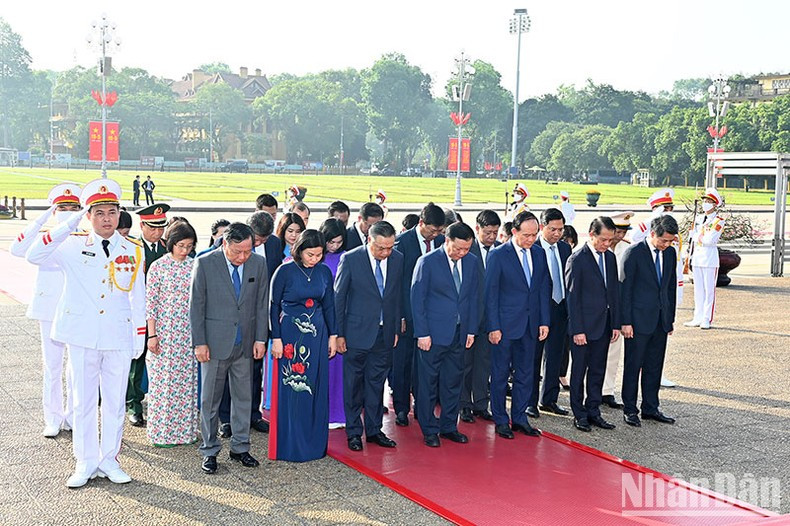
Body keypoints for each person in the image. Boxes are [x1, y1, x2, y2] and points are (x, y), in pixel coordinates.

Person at [27, 178, 146, 488]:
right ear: (88, 216)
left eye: (113, 212)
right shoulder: (72, 243)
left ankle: (109, 459)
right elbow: (33, 255)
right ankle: (85, 461)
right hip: (82, 335)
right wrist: (68, 224)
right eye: (100, 213)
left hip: (117, 335)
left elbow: (138, 295)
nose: (108, 219)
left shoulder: (132, 249)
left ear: (119, 213)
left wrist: (139, 337)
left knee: (114, 402)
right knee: (82, 401)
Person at [190, 222, 269, 475]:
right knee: (210, 400)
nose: (243, 257)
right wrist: (199, 342)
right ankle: (210, 449)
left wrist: (260, 339)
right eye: (237, 252)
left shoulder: (258, 264)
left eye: (248, 251)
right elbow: (196, 307)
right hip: (214, 344)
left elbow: (260, 304)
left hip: (245, 343)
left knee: (244, 399)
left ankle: (240, 447)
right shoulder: (205, 263)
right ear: (224, 244)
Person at [10, 183, 81, 438]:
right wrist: (41, 219)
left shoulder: (82, 234)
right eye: (62, 207)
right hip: (49, 308)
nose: (68, 211)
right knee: (52, 367)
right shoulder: (44, 235)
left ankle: (73, 416)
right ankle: (52, 417)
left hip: (76, 309)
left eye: (73, 208)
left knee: (76, 367)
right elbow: (18, 249)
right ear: (53, 209)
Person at [268, 230, 338, 462]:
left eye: (319, 255)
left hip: (317, 336)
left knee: (315, 387)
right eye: (310, 254)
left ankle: (314, 444)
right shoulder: (285, 271)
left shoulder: (324, 272)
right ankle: (291, 445)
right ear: (299, 250)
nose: (315, 259)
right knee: (293, 389)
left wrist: (333, 336)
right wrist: (275, 338)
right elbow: (274, 305)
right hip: (289, 336)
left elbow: (329, 306)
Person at [334, 221, 403, 452]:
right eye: (381, 248)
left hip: (384, 335)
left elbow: (395, 297)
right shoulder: (351, 259)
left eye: (390, 247)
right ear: (369, 240)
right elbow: (339, 299)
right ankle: (354, 431)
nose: (386, 252)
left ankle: (374, 430)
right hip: (356, 334)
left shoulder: (398, 259)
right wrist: (339, 334)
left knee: (376, 384)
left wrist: (394, 329)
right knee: (353, 385)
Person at [411, 222, 479, 447]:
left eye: (467, 248)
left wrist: (471, 329)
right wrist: (422, 333)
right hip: (432, 335)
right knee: (428, 384)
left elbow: (474, 298)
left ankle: (449, 426)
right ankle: (429, 428)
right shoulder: (428, 262)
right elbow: (417, 299)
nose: (462, 253)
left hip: (459, 334)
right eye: (458, 248)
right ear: (446, 241)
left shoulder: (472, 262)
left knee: (453, 383)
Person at [485, 211, 549, 439]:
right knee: (500, 374)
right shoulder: (499, 255)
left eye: (535, 234)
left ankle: (520, 418)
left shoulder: (539, 254)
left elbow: (542, 289)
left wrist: (544, 321)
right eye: (526, 235)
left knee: (525, 374)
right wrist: (493, 326)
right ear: (514, 231)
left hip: (530, 326)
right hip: (504, 326)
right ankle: (501, 418)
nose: (531, 239)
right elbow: (490, 293)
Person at [216, 211, 276, 440]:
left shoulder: (273, 247)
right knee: (225, 377)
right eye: (257, 239)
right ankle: (225, 419)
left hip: (258, 319)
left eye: (263, 240)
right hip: (229, 325)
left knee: (254, 372)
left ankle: (253, 414)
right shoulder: (226, 247)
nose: (259, 243)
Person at [620, 215, 679, 428]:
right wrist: (625, 322)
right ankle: (630, 408)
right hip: (637, 321)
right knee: (633, 365)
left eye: (670, 241)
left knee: (655, 365)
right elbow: (625, 290)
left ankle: (651, 407)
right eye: (664, 240)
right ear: (652, 234)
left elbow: (670, 287)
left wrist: (669, 319)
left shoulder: (670, 253)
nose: (667, 245)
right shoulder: (634, 253)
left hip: (660, 320)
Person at [144, 221, 199, 447]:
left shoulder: (195, 266)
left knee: (186, 384)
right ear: (171, 244)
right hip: (165, 333)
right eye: (181, 245)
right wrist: (152, 335)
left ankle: (186, 433)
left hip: (188, 334)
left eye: (189, 246)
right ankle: (162, 433)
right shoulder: (158, 267)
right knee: (163, 384)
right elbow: (151, 303)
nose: (185, 250)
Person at [566, 216, 621, 433]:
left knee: (598, 369)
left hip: (604, 326)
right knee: (579, 371)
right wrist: (577, 329)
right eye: (604, 239)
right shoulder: (577, 259)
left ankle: (594, 411)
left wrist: (615, 323)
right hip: (583, 327)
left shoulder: (610, 258)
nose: (607, 244)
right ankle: (579, 414)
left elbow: (614, 292)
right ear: (592, 234)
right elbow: (572, 298)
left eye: (610, 239)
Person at [392, 202, 446, 427]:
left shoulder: (443, 243)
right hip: (408, 316)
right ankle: (401, 407)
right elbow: (396, 284)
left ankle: (423, 405)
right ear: (421, 223)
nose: (435, 234)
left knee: (426, 366)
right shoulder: (402, 243)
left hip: (433, 317)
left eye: (439, 231)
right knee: (403, 363)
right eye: (432, 230)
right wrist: (401, 316)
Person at [126, 203, 171, 428]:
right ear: (142, 225)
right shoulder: (131, 248)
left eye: (161, 227)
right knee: (137, 358)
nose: (157, 232)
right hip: (137, 312)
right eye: (153, 227)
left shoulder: (167, 248)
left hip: (163, 314)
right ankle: (134, 404)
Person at [527, 208, 572, 419]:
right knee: (533, 358)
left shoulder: (564, 249)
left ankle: (549, 399)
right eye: (552, 229)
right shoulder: (532, 248)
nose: (557, 233)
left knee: (555, 356)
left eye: (560, 229)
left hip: (561, 308)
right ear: (542, 227)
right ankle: (530, 402)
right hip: (538, 311)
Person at [460, 209, 501, 423]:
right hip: (468, 318)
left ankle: (481, 404)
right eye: (487, 232)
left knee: (484, 363)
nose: (492, 237)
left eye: (495, 232)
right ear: (477, 229)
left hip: (490, 319)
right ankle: (464, 404)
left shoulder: (501, 251)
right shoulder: (467, 250)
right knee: (465, 363)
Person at [600, 211, 635, 410]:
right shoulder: (597, 248)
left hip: (616, 308)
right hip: (597, 308)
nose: (619, 236)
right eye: (617, 231)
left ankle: (607, 391)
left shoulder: (627, 249)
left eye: (623, 232)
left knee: (613, 351)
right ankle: (592, 390)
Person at [319, 218, 347, 428]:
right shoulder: (316, 259)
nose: (334, 246)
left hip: (339, 320)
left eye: (338, 242)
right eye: (331, 242)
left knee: (339, 370)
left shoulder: (347, 258)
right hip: (319, 319)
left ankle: (338, 413)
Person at [685, 187, 725, 330]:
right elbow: (694, 239)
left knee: (709, 291)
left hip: (709, 259)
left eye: (709, 201)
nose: (705, 204)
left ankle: (707, 318)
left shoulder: (718, 221)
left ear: (715, 204)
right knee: (698, 290)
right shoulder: (699, 219)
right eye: (705, 201)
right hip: (697, 257)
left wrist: (695, 236)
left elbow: (709, 240)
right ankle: (698, 316)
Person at [558, 224, 579, 390]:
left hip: (565, 306)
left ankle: (561, 375)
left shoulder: (568, 253)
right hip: (547, 307)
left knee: (563, 347)